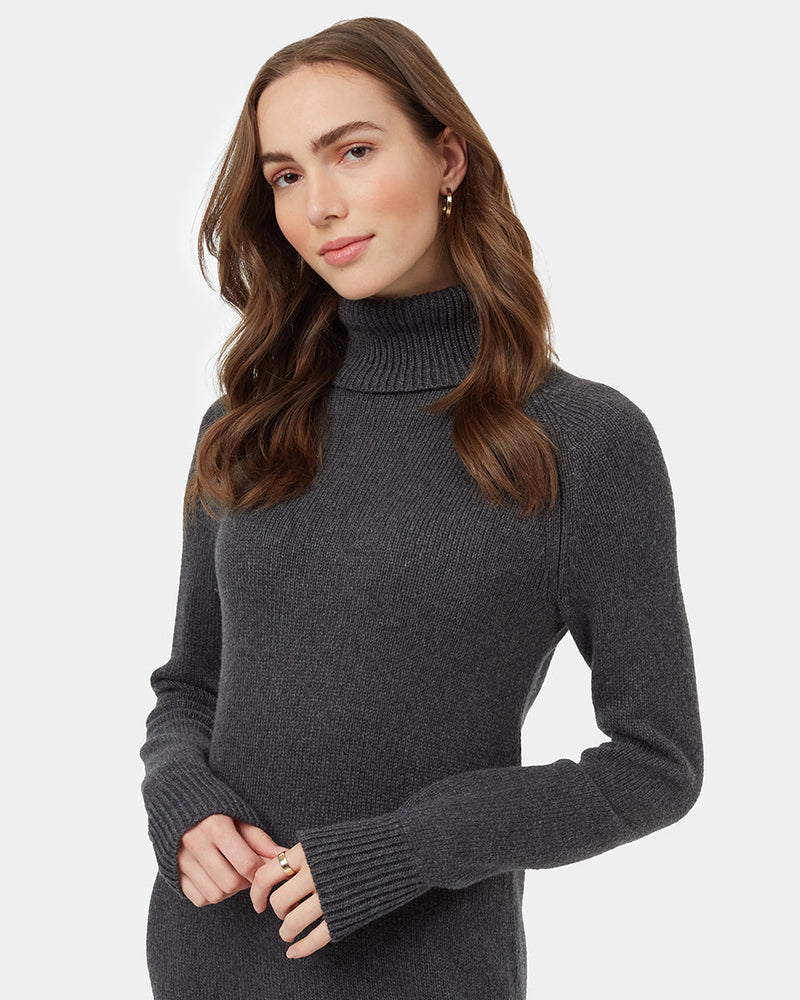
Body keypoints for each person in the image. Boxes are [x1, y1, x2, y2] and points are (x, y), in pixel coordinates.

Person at [139, 15, 704, 1000]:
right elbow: (190, 684)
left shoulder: (580, 441)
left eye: (353, 152)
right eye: (284, 175)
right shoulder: (243, 425)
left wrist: (412, 846)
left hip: (427, 974)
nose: (319, 205)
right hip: (205, 961)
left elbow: (657, 764)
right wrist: (182, 800)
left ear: (447, 158)